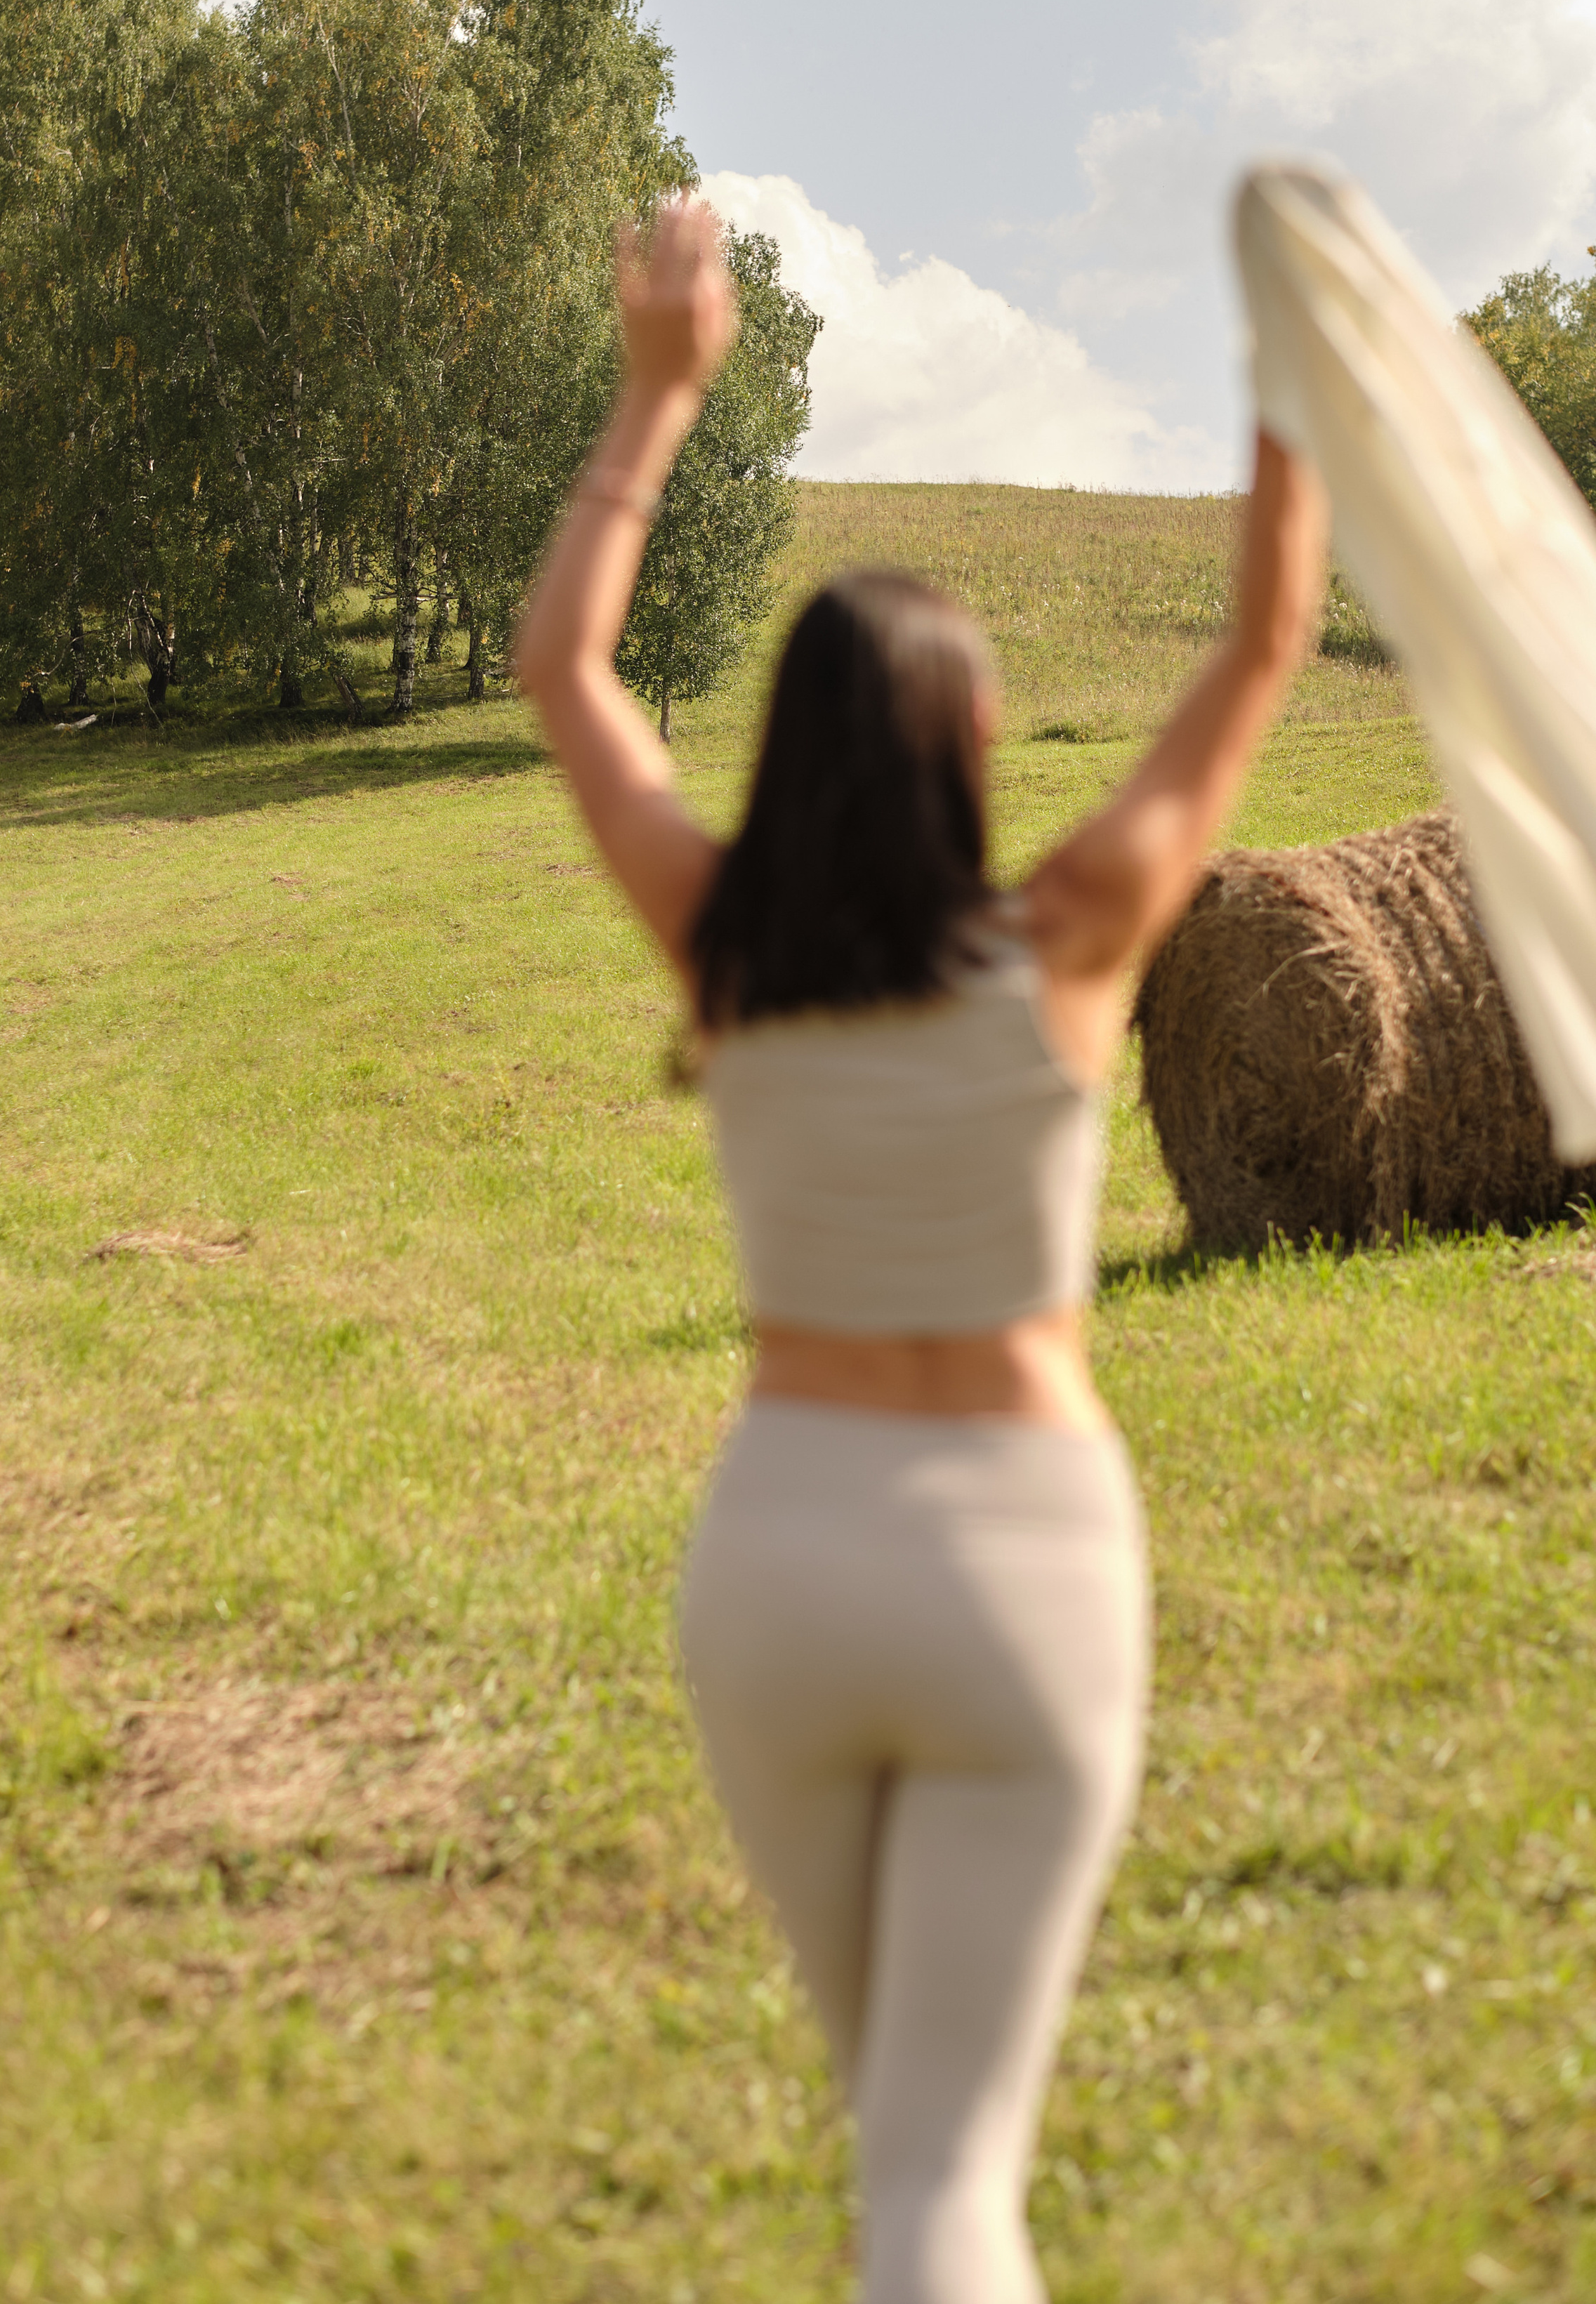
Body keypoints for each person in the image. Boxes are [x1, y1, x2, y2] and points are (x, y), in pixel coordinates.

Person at [514, 197, 1326, 2304]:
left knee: (905, 2151)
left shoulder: (727, 952)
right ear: (974, 751)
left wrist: (657, 395)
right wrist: (1287, 390)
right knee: (949, 2185)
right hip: (1020, 1561)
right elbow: (1261, 648)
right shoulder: (1069, 943)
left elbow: (565, 674)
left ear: (786, 755)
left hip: (780, 1562)